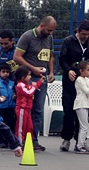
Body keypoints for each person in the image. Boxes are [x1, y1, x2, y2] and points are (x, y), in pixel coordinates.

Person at [58, 20, 89, 152]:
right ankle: (66, 139)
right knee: (68, 110)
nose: (86, 37)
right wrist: (68, 70)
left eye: (88, 34)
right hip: (70, 81)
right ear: (78, 31)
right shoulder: (68, 41)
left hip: (86, 82)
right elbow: (62, 58)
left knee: (83, 111)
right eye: (83, 34)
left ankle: (80, 141)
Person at [13, 16, 57, 151]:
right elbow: (17, 57)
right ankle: (20, 140)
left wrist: (51, 72)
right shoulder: (27, 37)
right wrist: (33, 69)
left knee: (38, 110)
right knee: (25, 110)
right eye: (49, 30)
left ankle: (34, 140)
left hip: (42, 80)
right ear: (42, 26)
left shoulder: (49, 38)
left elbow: (50, 56)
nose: (50, 33)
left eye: (52, 31)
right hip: (28, 79)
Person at [14, 66, 43, 145]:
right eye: (29, 75)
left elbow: (33, 87)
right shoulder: (20, 85)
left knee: (29, 127)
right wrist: (34, 86)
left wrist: (40, 81)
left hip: (27, 109)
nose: (30, 77)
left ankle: (29, 143)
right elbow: (29, 92)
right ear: (23, 77)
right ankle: (19, 143)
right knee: (21, 127)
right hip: (22, 109)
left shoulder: (27, 84)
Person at [0, 63, 16, 136]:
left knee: (10, 125)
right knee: (0, 126)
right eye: (3, 72)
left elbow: (15, 92)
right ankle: (0, 140)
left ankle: (9, 140)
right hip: (0, 108)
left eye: (7, 72)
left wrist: (15, 96)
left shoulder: (12, 83)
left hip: (11, 108)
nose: (5, 73)